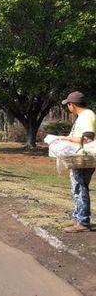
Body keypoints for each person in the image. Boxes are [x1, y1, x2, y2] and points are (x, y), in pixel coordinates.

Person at [57, 91, 96, 233]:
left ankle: (83, 221)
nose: (67, 107)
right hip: (78, 158)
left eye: (67, 104)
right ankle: (77, 217)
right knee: (77, 188)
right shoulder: (83, 116)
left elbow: (87, 139)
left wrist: (65, 139)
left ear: (71, 105)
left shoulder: (87, 116)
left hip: (84, 159)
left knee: (80, 188)